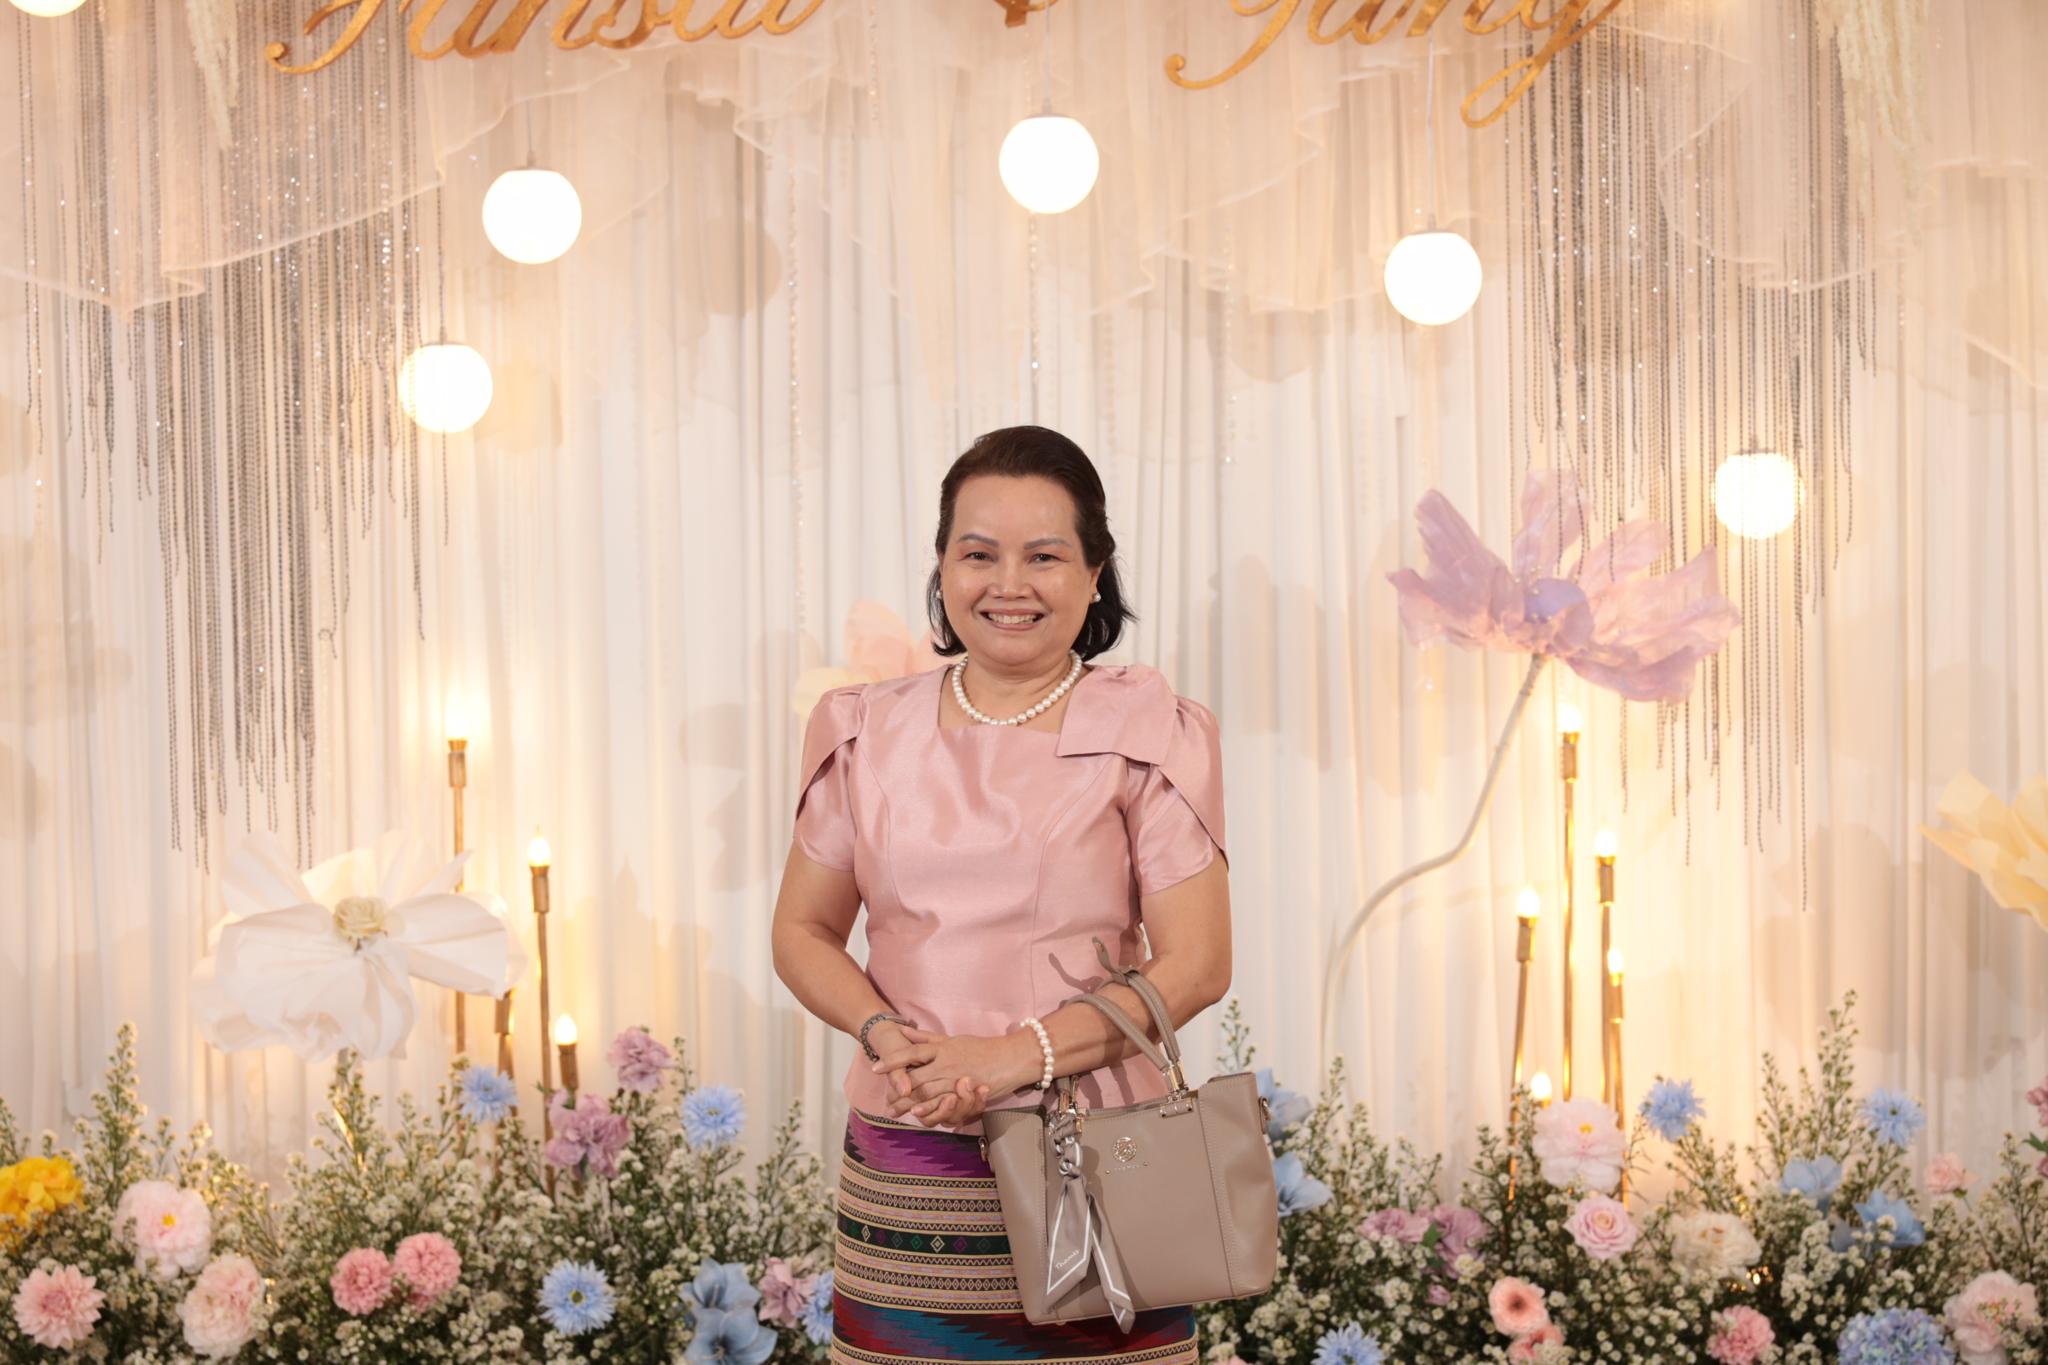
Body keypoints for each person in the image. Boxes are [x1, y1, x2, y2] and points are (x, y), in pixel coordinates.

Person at [771, 425, 1233, 1365]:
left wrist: (1010, 1055)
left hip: (1102, 1156)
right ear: (942, 568)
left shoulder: (1150, 729)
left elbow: (1198, 964)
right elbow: (804, 930)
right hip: (912, 1154)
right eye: (978, 553)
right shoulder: (863, 729)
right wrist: (886, 1036)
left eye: (1044, 556)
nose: (1008, 583)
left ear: (1095, 575)